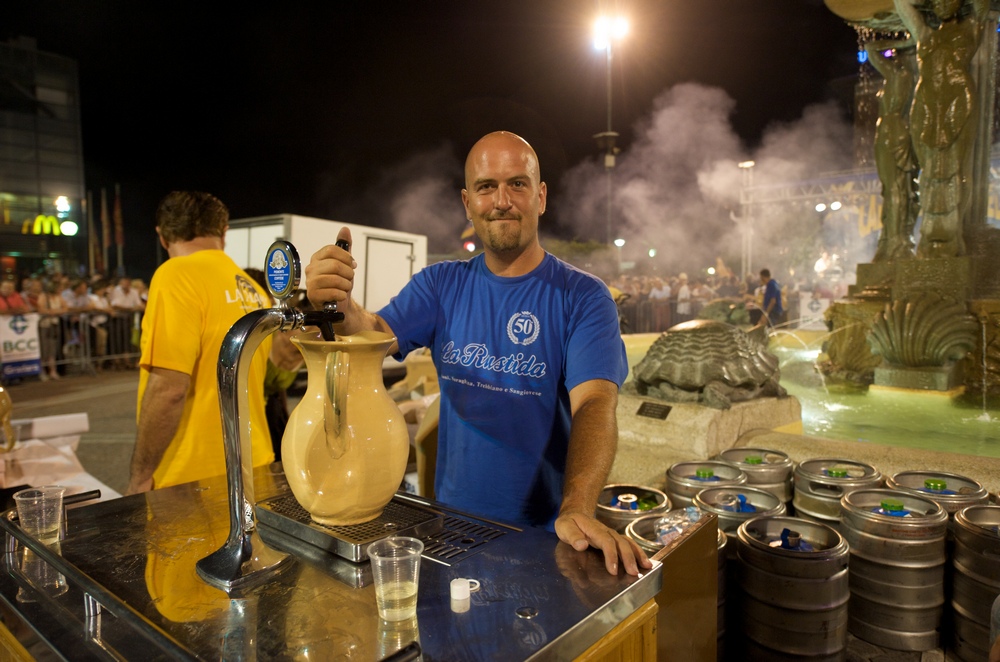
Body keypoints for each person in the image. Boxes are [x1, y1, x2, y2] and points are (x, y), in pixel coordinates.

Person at [305, 131, 650, 577]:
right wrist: (340, 306)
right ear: (468, 203)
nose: (502, 201)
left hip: (549, 538)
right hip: (455, 534)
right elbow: (377, 335)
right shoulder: (440, 285)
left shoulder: (583, 296)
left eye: (517, 184)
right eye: (487, 187)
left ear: (541, 197)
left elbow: (596, 403)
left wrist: (578, 507)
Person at [125, 191, 275, 494]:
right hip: (253, 463)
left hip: (191, 476)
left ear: (162, 236)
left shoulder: (176, 275)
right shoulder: (253, 289)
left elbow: (169, 389)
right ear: (223, 232)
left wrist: (140, 477)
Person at [894, 0, 991, 258]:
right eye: (937, 0)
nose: (942, 3)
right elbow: (901, 5)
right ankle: (930, 235)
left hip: (959, 99)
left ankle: (954, 233)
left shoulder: (971, 27)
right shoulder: (925, 33)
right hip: (926, 103)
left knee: (958, 168)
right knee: (928, 171)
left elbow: (983, 5)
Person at [865, 38, 919, 261]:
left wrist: (899, 41)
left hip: (891, 130)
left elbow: (870, 50)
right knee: (898, 187)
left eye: (898, 53)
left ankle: (895, 240)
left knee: (894, 188)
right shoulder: (912, 76)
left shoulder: (898, 73)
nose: (894, 56)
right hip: (898, 129)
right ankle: (895, 237)